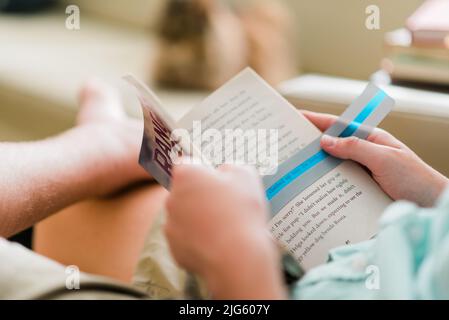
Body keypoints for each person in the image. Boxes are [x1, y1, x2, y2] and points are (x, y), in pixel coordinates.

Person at [1, 79, 448, 299]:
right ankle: (108, 144)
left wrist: (236, 257)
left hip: (253, 284)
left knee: (98, 203)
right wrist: (434, 195)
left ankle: (105, 143)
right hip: (348, 248)